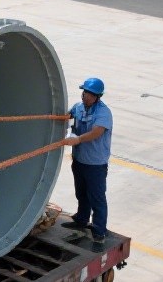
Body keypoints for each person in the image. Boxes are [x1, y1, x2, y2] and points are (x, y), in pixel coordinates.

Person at [63, 77, 113, 244]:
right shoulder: (78, 107)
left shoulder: (103, 113)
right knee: (81, 193)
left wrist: (77, 139)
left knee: (97, 198)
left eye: (89, 94)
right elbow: (67, 117)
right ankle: (81, 219)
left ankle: (99, 231)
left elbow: (96, 132)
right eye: (84, 92)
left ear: (97, 96)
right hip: (79, 160)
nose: (85, 96)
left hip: (95, 165)